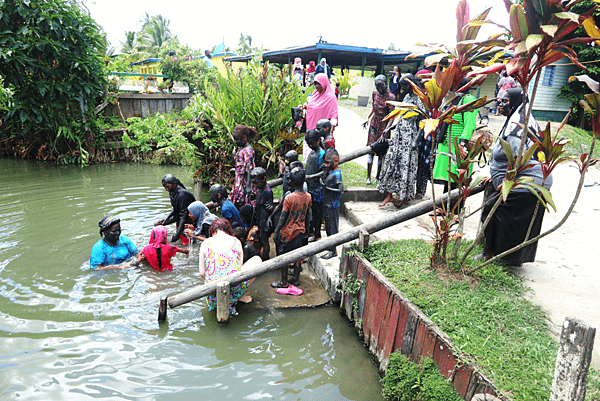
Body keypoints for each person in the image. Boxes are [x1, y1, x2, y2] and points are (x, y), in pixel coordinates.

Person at [479, 87, 552, 265]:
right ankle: (514, 258)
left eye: (505, 102)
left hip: (527, 182)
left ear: (516, 103)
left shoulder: (516, 126)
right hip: (533, 181)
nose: (501, 105)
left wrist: (506, 179)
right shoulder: (522, 118)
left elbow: (519, 157)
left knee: (492, 211)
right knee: (520, 221)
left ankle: (490, 254)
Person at [378, 74, 424, 207]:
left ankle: (404, 196)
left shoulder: (419, 99)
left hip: (409, 136)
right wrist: (390, 127)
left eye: (404, 85)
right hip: (399, 134)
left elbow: (423, 121)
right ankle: (389, 195)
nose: (401, 88)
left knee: (405, 166)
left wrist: (416, 140)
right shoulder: (407, 97)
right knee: (391, 162)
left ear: (410, 84)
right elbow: (400, 116)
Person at [432, 78, 477, 213]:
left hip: (458, 146)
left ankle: (456, 212)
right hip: (447, 144)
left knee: (459, 180)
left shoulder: (468, 100)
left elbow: (469, 124)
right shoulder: (452, 99)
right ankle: (443, 208)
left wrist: (462, 144)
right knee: (449, 179)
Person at [198, 219, 261, 311]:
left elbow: (202, 273)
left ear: (212, 232)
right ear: (228, 230)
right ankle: (241, 296)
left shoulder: (205, 243)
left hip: (213, 296)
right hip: (234, 291)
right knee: (257, 260)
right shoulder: (236, 241)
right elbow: (239, 269)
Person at [271, 166, 311, 288]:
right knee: (298, 256)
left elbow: (283, 216)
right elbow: (309, 215)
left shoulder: (289, 198)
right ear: (304, 179)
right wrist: (308, 230)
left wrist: (277, 232)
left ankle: (284, 281)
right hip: (301, 231)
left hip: (288, 232)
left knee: (284, 257)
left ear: (291, 182)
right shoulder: (308, 196)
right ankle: (296, 278)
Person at [364, 75, 395, 185]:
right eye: (377, 87)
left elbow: (392, 116)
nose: (379, 89)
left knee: (381, 152)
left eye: (381, 86)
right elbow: (373, 106)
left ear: (386, 85)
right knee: (371, 149)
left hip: (384, 127)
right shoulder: (375, 93)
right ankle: (368, 177)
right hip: (374, 124)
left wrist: (386, 130)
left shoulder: (391, 97)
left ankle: (377, 177)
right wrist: (367, 118)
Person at [300, 73, 338, 161]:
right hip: (310, 128)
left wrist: (331, 131)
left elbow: (334, 115)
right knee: (309, 158)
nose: (317, 86)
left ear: (324, 83)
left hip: (321, 132)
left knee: (320, 159)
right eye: (315, 83)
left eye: (319, 83)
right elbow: (310, 104)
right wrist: (304, 106)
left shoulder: (331, 97)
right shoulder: (315, 94)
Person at [155, 174, 195, 243]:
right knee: (180, 241)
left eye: (168, 187)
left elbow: (184, 215)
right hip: (180, 220)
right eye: (165, 187)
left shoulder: (182, 194)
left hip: (188, 222)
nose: (167, 189)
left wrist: (178, 233)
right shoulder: (172, 192)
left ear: (174, 184)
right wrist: (166, 219)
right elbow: (175, 209)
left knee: (185, 243)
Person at [321, 148, 343, 259]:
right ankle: (330, 246)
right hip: (328, 204)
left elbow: (340, 190)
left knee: (332, 228)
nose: (326, 165)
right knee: (328, 227)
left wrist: (328, 188)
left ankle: (333, 250)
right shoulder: (330, 172)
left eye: (328, 162)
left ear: (336, 161)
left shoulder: (337, 174)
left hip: (333, 205)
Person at [304, 130, 325, 242]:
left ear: (318, 141)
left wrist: (310, 177)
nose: (310, 146)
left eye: (312, 144)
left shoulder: (321, 154)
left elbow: (323, 172)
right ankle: (312, 232)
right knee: (311, 212)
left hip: (317, 189)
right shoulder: (312, 153)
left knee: (317, 213)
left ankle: (317, 234)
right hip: (310, 188)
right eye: (309, 144)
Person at [229, 125, 257, 208]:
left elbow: (250, 169)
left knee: (245, 203)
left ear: (244, 138)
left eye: (237, 139)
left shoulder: (248, 151)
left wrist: (248, 186)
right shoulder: (241, 149)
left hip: (245, 182)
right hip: (239, 180)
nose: (235, 141)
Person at [250, 167, 274, 260]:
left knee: (265, 240)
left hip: (265, 219)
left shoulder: (267, 191)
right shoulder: (260, 189)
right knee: (261, 238)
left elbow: (271, 206)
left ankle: (266, 257)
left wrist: (271, 207)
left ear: (264, 178)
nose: (256, 185)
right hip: (260, 217)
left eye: (257, 183)